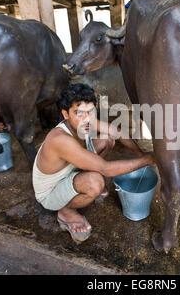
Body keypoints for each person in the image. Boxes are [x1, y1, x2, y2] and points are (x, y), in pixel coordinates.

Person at [33, 83, 154, 243]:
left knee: (107, 140)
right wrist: (150, 158)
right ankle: (66, 211)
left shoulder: (86, 120)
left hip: (69, 170)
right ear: (65, 114)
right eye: (79, 113)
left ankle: (80, 182)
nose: (86, 118)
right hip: (50, 191)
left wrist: (141, 153)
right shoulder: (60, 139)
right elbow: (106, 169)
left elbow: (116, 131)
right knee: (96, 182)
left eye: (90, 111)